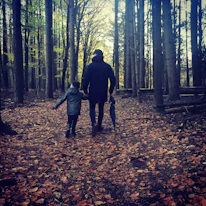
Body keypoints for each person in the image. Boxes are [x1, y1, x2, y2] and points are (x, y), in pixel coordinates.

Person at [83, 49, 116, 136]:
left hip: (93, 90)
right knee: (101, 108)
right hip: (103, 90)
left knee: (92, 107)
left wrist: (85, 90)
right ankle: (99, 125)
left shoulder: (90, 66)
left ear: (94, 55)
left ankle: (94, 123)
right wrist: (110, 90)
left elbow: (85, 79)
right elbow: (113, 79)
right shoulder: (107, 66)